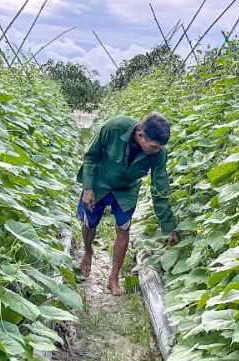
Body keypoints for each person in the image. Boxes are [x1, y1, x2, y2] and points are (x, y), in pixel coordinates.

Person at [76, 113, 179, 295]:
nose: (156, 150)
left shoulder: (158, 153)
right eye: (153, 146)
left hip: (126, 191)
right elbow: (91, 156)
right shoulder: (114, 127)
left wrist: (169, 226)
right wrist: (88, 187)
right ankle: (87, 251)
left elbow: (160, 188)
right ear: (140, 136)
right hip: (99, 183)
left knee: (123, 230)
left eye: (159, 148)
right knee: (89, 223)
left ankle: (113, 277)